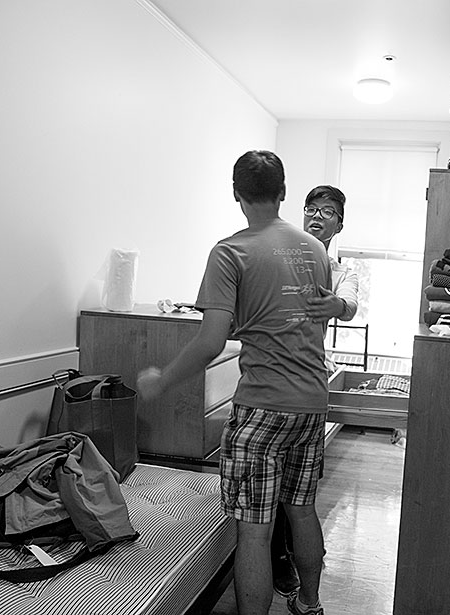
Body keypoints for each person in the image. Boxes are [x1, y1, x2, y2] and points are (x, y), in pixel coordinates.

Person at [137, 151, 331, 615]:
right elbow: (311, 322)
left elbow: (210, 342)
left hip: (263, 406)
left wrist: (163, 379)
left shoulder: (230, 252)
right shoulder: (315, 248)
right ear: (283, 192)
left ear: (236, 194)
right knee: (301, 509)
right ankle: (309, 603)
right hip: (312, 402)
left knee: (255, 532)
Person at [271, 185, 359, 597]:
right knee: (270, 481)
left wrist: (336, 306)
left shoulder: (341, 272)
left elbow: (349, 304)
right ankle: (276, 555)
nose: (317, 216)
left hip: (306, 382)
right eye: (311, 208)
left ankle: (292, 555)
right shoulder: (280, 259)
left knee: (300, 485)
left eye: (328, 211)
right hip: (270, 377)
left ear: (340, 224)